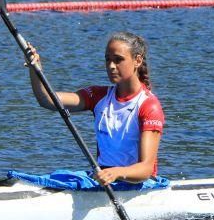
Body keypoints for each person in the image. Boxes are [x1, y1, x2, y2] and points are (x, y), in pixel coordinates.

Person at [26, 31, 164, 184]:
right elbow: (48, 100)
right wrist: (35, 69)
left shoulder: (149, 106)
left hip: (138, 182)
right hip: (105, 178)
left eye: (118, 60)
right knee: (56, 177)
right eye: (108, 60)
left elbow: (146, 169)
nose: (111, 66)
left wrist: (116, 173)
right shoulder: (98, 96)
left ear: (137, 60)